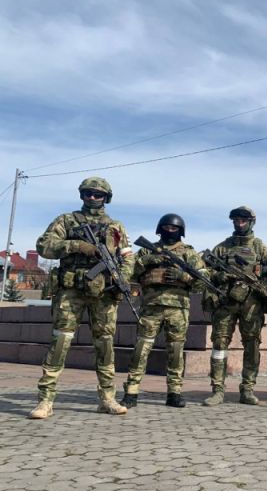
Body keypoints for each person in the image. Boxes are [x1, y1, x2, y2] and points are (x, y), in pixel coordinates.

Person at [29, 177, 134, 419]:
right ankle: (45, 400)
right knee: (60, 341)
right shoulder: (67, 220)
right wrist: (77, 245)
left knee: (105, 344)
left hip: (104, 293)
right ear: (82, 195)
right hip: (71, 290)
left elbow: (128, 257)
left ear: (106, 198)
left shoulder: (115, 226)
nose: (92, 198)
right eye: (88, 193)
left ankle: (107, 398)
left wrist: (122, 278)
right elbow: (44, 246)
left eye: (98, 194)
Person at [120, 214, 208, 408]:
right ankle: (131, 392)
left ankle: (174, 393)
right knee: (141, 349)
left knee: (176, 351)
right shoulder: (146, 250)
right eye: (166, 227)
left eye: (174, 228)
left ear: (181, 231)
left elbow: (202, 282)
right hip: (151, 307)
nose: (170, 231)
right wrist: (149, 260)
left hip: (178, 309)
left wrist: (183, 276)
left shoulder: (189, 253)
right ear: (160, 229)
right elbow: (129, 272)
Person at [202, 206, 267, 406]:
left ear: (251, 222)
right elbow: (205, 272)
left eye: (243, 220)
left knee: (252, 345)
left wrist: (264, 287)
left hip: (252, 304)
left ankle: (247, 389)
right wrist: (220, 275)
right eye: (236, 220)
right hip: (226, 302)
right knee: (219, 344)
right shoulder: (222, 248)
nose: (239, 224)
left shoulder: (261, 248)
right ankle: (217, 390)